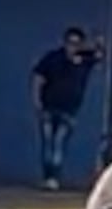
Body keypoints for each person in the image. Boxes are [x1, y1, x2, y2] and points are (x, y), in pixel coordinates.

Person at [32, 27, 105, 191]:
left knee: (58, 143)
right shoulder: (53, 58)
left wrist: (99, 44)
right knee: (48, 143)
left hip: (70, 109)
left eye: (76, 43)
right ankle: (48, 177)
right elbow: (38, 78)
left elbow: (99, 56)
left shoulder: (85, 60)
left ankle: (54, 178)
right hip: (49, 107)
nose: (72, 46)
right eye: (70, 42)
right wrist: (37, 102)